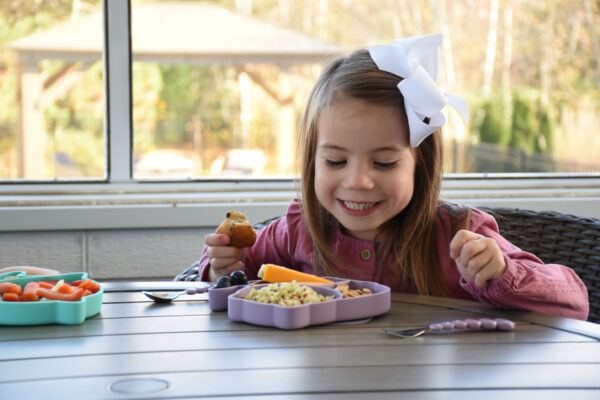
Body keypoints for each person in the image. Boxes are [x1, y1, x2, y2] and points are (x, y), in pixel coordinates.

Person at [198, 33, 589, 320]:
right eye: (335, 161)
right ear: (312, 161)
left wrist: (501, 273)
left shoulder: (457, 235)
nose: (357, 182)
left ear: (420, 163)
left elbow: (574, 301)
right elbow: (227, 281)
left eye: (384, 163)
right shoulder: (297, 231)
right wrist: (222, 267)